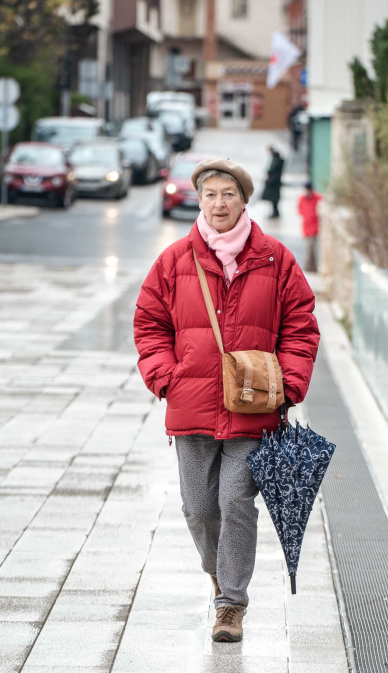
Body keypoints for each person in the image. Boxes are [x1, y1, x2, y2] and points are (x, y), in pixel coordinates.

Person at [133, 158, 319, 644]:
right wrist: (165, 378)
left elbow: (301, 325)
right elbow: (149, 323)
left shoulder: (276, 259)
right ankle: (220, 578)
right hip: (191, 406)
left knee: (235, 501)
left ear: (244, 200)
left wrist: (290, 385)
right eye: (210, 194)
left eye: (228, 194)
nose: (219, 203)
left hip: (254, 408)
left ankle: (231, 604)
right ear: (199, 199)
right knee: (198, 510)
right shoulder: (174, 260)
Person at [297, 182, 323, 272]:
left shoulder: (318, 198)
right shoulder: (302, 198)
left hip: (314, 226)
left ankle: (308, 266)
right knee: (310, 247)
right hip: (306, 226)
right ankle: (312, 266)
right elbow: (299, 210)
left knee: (310, 247)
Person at [262, 147, 284, 219]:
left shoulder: (277, 160)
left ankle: (275, 212)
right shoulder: (276, 159)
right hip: (274, 182)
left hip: (274, 183)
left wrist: (269, 173)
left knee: (274, 199)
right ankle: (275, 212)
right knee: (273, 199)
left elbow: (274, 170)